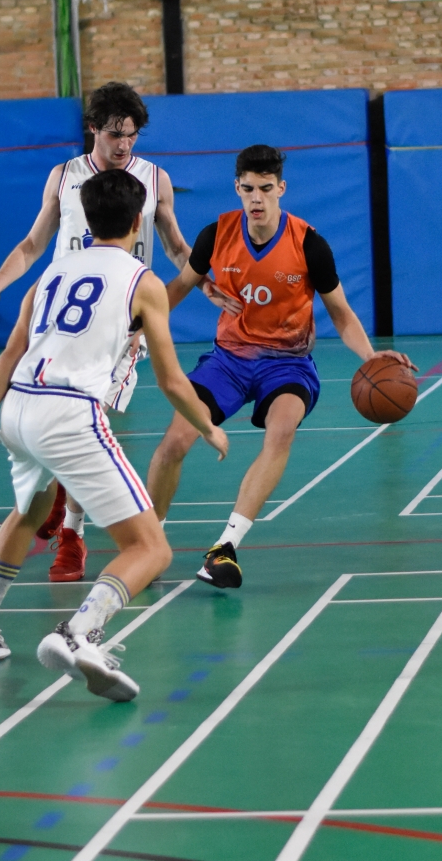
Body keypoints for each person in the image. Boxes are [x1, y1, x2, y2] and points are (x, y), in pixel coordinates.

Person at [0, 168, 227, 699]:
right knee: (151, 548)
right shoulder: (144, 282)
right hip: (69, 412)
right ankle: (79, 632)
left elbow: (9, 354)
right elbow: (172, 380)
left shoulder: (52, 273)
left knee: (28, 513)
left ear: (85, 218)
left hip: (18, 407)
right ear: (137, 221)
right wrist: (207, 426)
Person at [148, 144, 416, 589]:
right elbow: (178, 287)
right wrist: (140, 327)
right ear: (237, 188)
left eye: (266, 189)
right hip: (228, 360)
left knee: (282, 430)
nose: (257, 198)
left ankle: (225, 547)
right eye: (248, 188)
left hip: (288, 364)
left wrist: (370, 356)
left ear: (281, 189)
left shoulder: (309, 244)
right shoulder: (216, 234)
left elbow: (341, 313)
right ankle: (150, 542)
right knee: (175, 441)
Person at [0, 80, 201, 583]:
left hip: (121, 322)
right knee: (74, 423)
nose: (124, 145)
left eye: (132, 135)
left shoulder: (154, 179)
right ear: (93, 129)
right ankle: (62, 513)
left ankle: (71, 530)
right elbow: (33, 244)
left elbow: (177, 247)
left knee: (91, 421)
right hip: (64, 318)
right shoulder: (65, 177)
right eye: (115, 134)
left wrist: (208, 281)